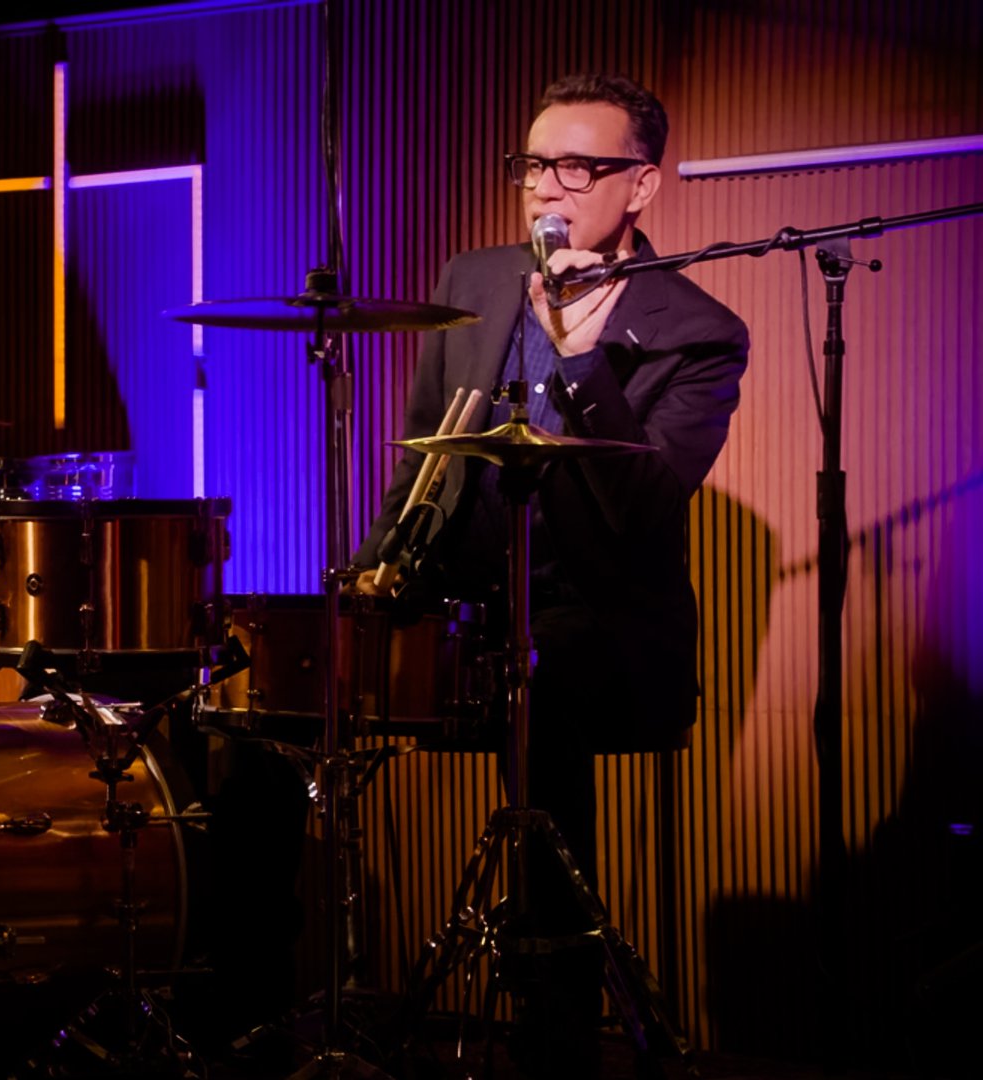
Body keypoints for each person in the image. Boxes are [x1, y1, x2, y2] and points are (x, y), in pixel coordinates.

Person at [351, 74, 749, 1075]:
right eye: (533, 164)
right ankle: (257, 991)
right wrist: (372, 572)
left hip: (591, 622)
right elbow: (424, 454)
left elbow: (644, 509)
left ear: (642, 185)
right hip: (457, 599)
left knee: (541, 686)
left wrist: (579, 360)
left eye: (576, 166)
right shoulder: (476, 277)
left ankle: (556, 1025)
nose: (544, 186)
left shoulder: (696, 326)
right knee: (254, 688)